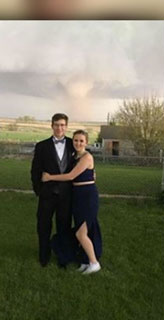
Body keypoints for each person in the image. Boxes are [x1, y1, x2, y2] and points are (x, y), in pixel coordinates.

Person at [42, 129, 102, 275]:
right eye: (76, 140)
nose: (78, 143)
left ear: (86, 142)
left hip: (87, 196)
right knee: (83, 231)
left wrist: (50, 177)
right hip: (78, 196)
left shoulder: (87, 157)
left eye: (81, 141)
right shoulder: (74, 156)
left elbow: (70, 176)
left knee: (81, 233)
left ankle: (94, 263)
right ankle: (84, 261)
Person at [30, 113, 77, 267]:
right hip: (47, 195)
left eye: (62, 125)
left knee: (64, 227)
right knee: (43, 226)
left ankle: (62, 257)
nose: (59, 128)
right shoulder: (42, 146)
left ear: (67, 127)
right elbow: (35, 170)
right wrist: (39, 190)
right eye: (57, 124)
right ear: (52, 126)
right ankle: (44, 257)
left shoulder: (73, 144)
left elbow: (83, 161)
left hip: (66, 195)